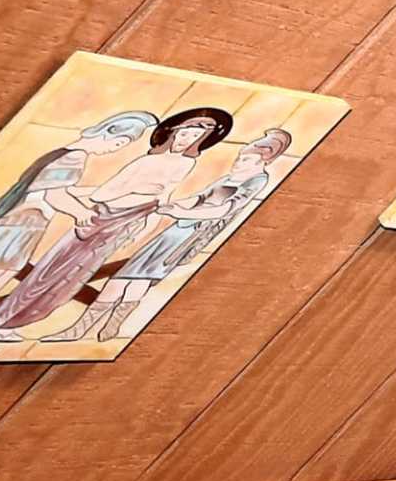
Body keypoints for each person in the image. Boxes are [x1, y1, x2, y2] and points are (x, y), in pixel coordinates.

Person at [0, 106, 232, 341]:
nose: (186, 139)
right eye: (185, 133)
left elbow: (161, 196)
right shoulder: (145, 161)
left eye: (195, 136)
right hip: (102, 218)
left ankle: (19, 320)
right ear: (173, 131)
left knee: (75, 276)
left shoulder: (186, 163)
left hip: (127, 222)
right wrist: (132, 197)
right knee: (54, 269)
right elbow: (105, 193)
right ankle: (4, 319)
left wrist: (147, 219)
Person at [74, 126, 294, 343]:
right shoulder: (227, 179)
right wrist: (173, 206)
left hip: (191, 235)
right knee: (125, 275)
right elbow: (199, 197)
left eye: (245, 160)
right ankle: (81, 329)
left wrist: (182, 212)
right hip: (178, 229)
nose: (238, 163)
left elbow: (224, 210)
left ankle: (111, 326)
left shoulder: (256, 181)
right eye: (240, 158)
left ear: (263, 161)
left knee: (141, 278)